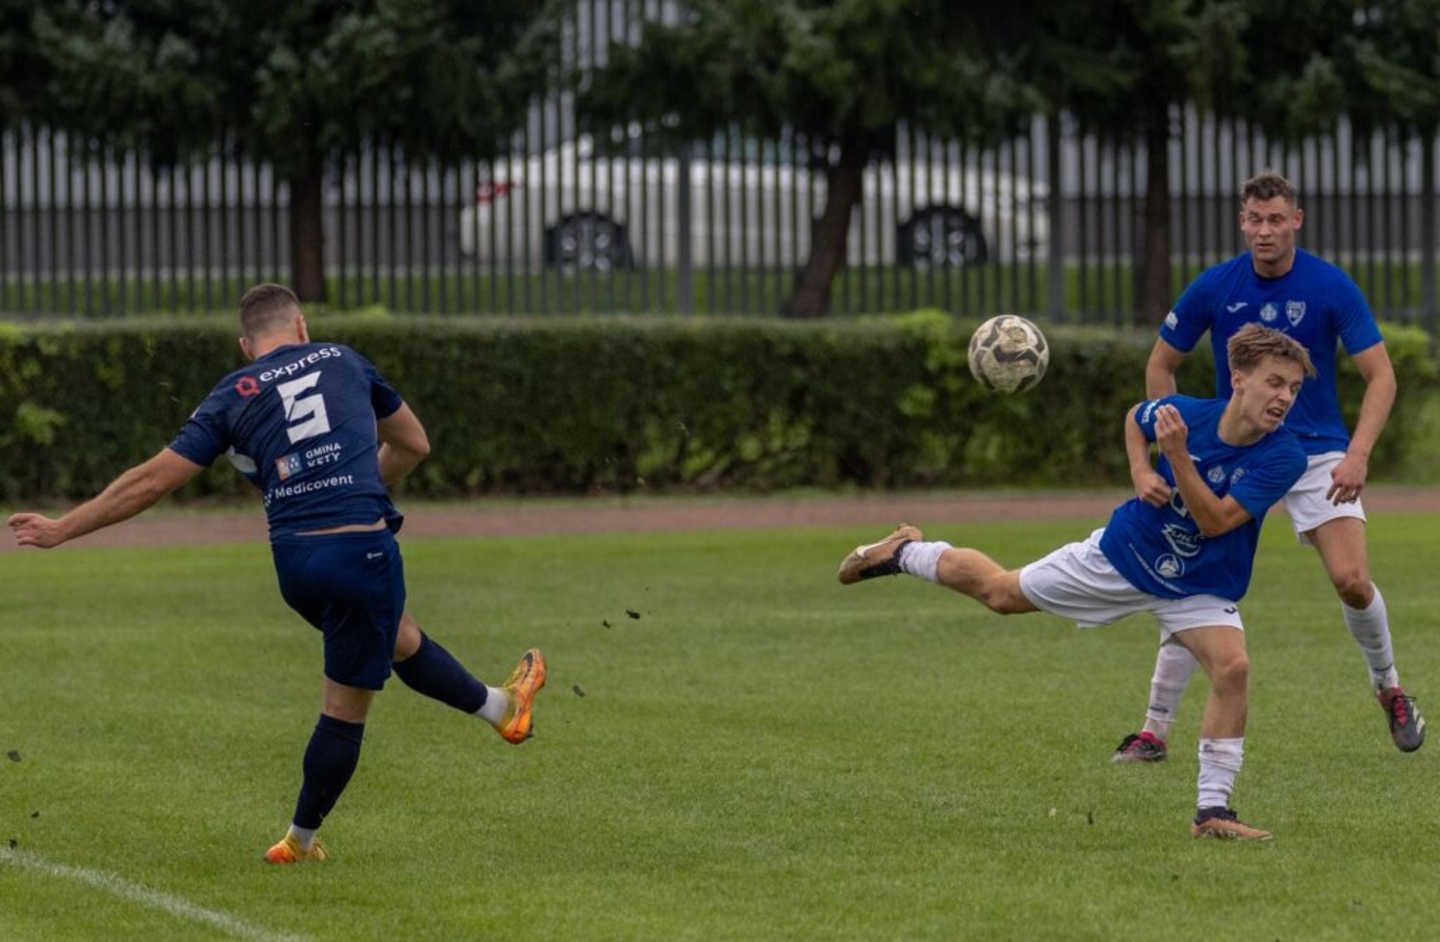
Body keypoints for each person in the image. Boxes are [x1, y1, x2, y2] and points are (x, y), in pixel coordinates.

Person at [7, 283, 547, 864]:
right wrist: (359, 480)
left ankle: (501, 708)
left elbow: (153, 479)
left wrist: (65, 527)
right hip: (359, 550)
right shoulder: (344, 360)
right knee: (345, 704)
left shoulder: (231, 394)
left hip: (295, 563)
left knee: (395, 636)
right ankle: (299, 841)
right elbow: (414, 444)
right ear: (302, 327)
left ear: (247, 346)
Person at [839, 324, 1315, 840]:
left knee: (1233, 667)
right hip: (1125, 555)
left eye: (1293, 388)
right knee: (1000, 594)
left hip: (1199, 582)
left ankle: (1212, 812)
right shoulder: (1188, 416)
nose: (1285, 397)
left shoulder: (1284, 455)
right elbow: (1137, 418)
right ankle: (905, 550)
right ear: (1239, 379)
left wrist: (1176, 458)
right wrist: (1140, 470)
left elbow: (1216, 522)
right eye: (1275, 382)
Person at [1111, 170, 1423, 765]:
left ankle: (1389, 687)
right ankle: (1154, 731)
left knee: (1352, 581)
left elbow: (1380, 375)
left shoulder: (1330, 286)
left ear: (1296, 221)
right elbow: (1161, 365)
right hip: (1236, 450)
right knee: (1192, 579)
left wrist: (1356, 453)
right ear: (1241, 222)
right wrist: (1174, 446)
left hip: (1315, 452)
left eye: (1276, 219)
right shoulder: (1215, 285)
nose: (1264, 231)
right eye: (1254, 220)